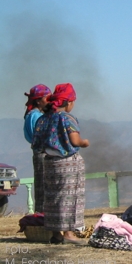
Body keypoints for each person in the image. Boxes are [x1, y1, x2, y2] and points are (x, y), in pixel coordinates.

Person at [31, 83, 89, 244]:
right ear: (68, 102)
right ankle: (69, 234)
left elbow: (35, 144)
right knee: (70, 198)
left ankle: (56, 234)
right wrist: (84, 143)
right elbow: (74, 140)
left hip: (49, 163)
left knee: (52, 198)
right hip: (68, 164)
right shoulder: (67, 118)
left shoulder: (42, 120)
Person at [23, 84, 52, 213]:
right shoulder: (36, 116)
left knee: (41, 185)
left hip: (38, 152)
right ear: (39, 100)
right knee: (44, 185)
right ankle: (43, 216)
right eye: (47, 98)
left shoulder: (32, 115)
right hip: (42, 152)